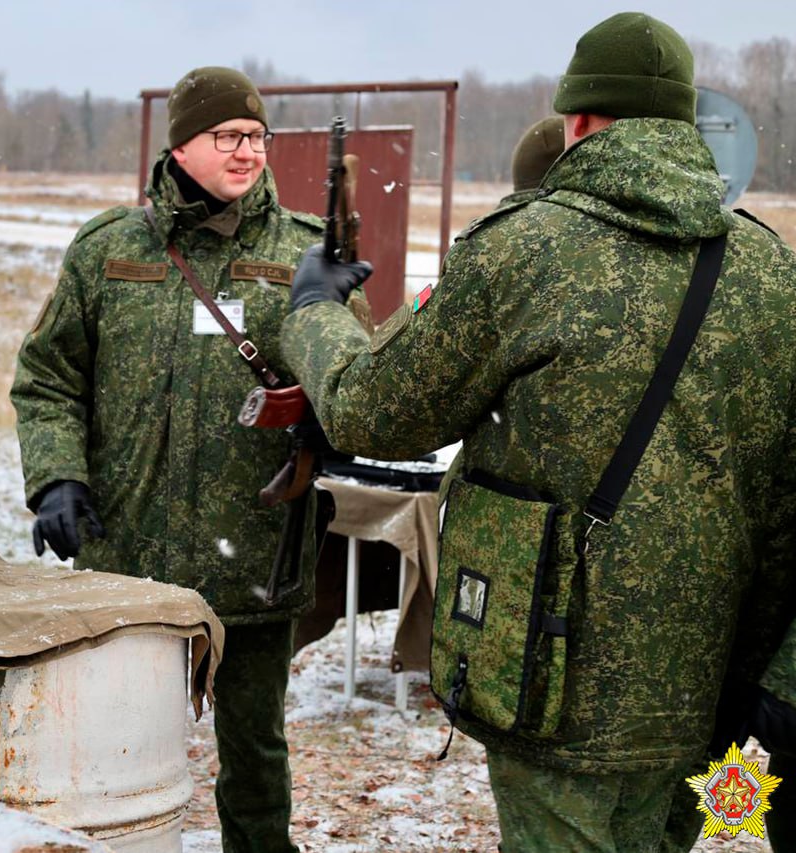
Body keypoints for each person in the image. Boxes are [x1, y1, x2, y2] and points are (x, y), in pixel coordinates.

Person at [278, 12, 796, 853]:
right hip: (708, 686)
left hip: (552, 676)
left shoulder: (526, 250)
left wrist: (313, 313)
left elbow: (375, 410)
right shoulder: (770, 268)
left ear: (580, 120)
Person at [10, 66, 324, 853]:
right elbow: (48, 377)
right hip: (130, 554)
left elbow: (356, 391)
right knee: (119, 751)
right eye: (228, 136)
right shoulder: (110, 249)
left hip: (255, 547)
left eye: (257, 136)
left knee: (255, 757)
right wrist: (56, 475)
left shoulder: (306, 253)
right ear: (181, 144)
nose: (247, 151)